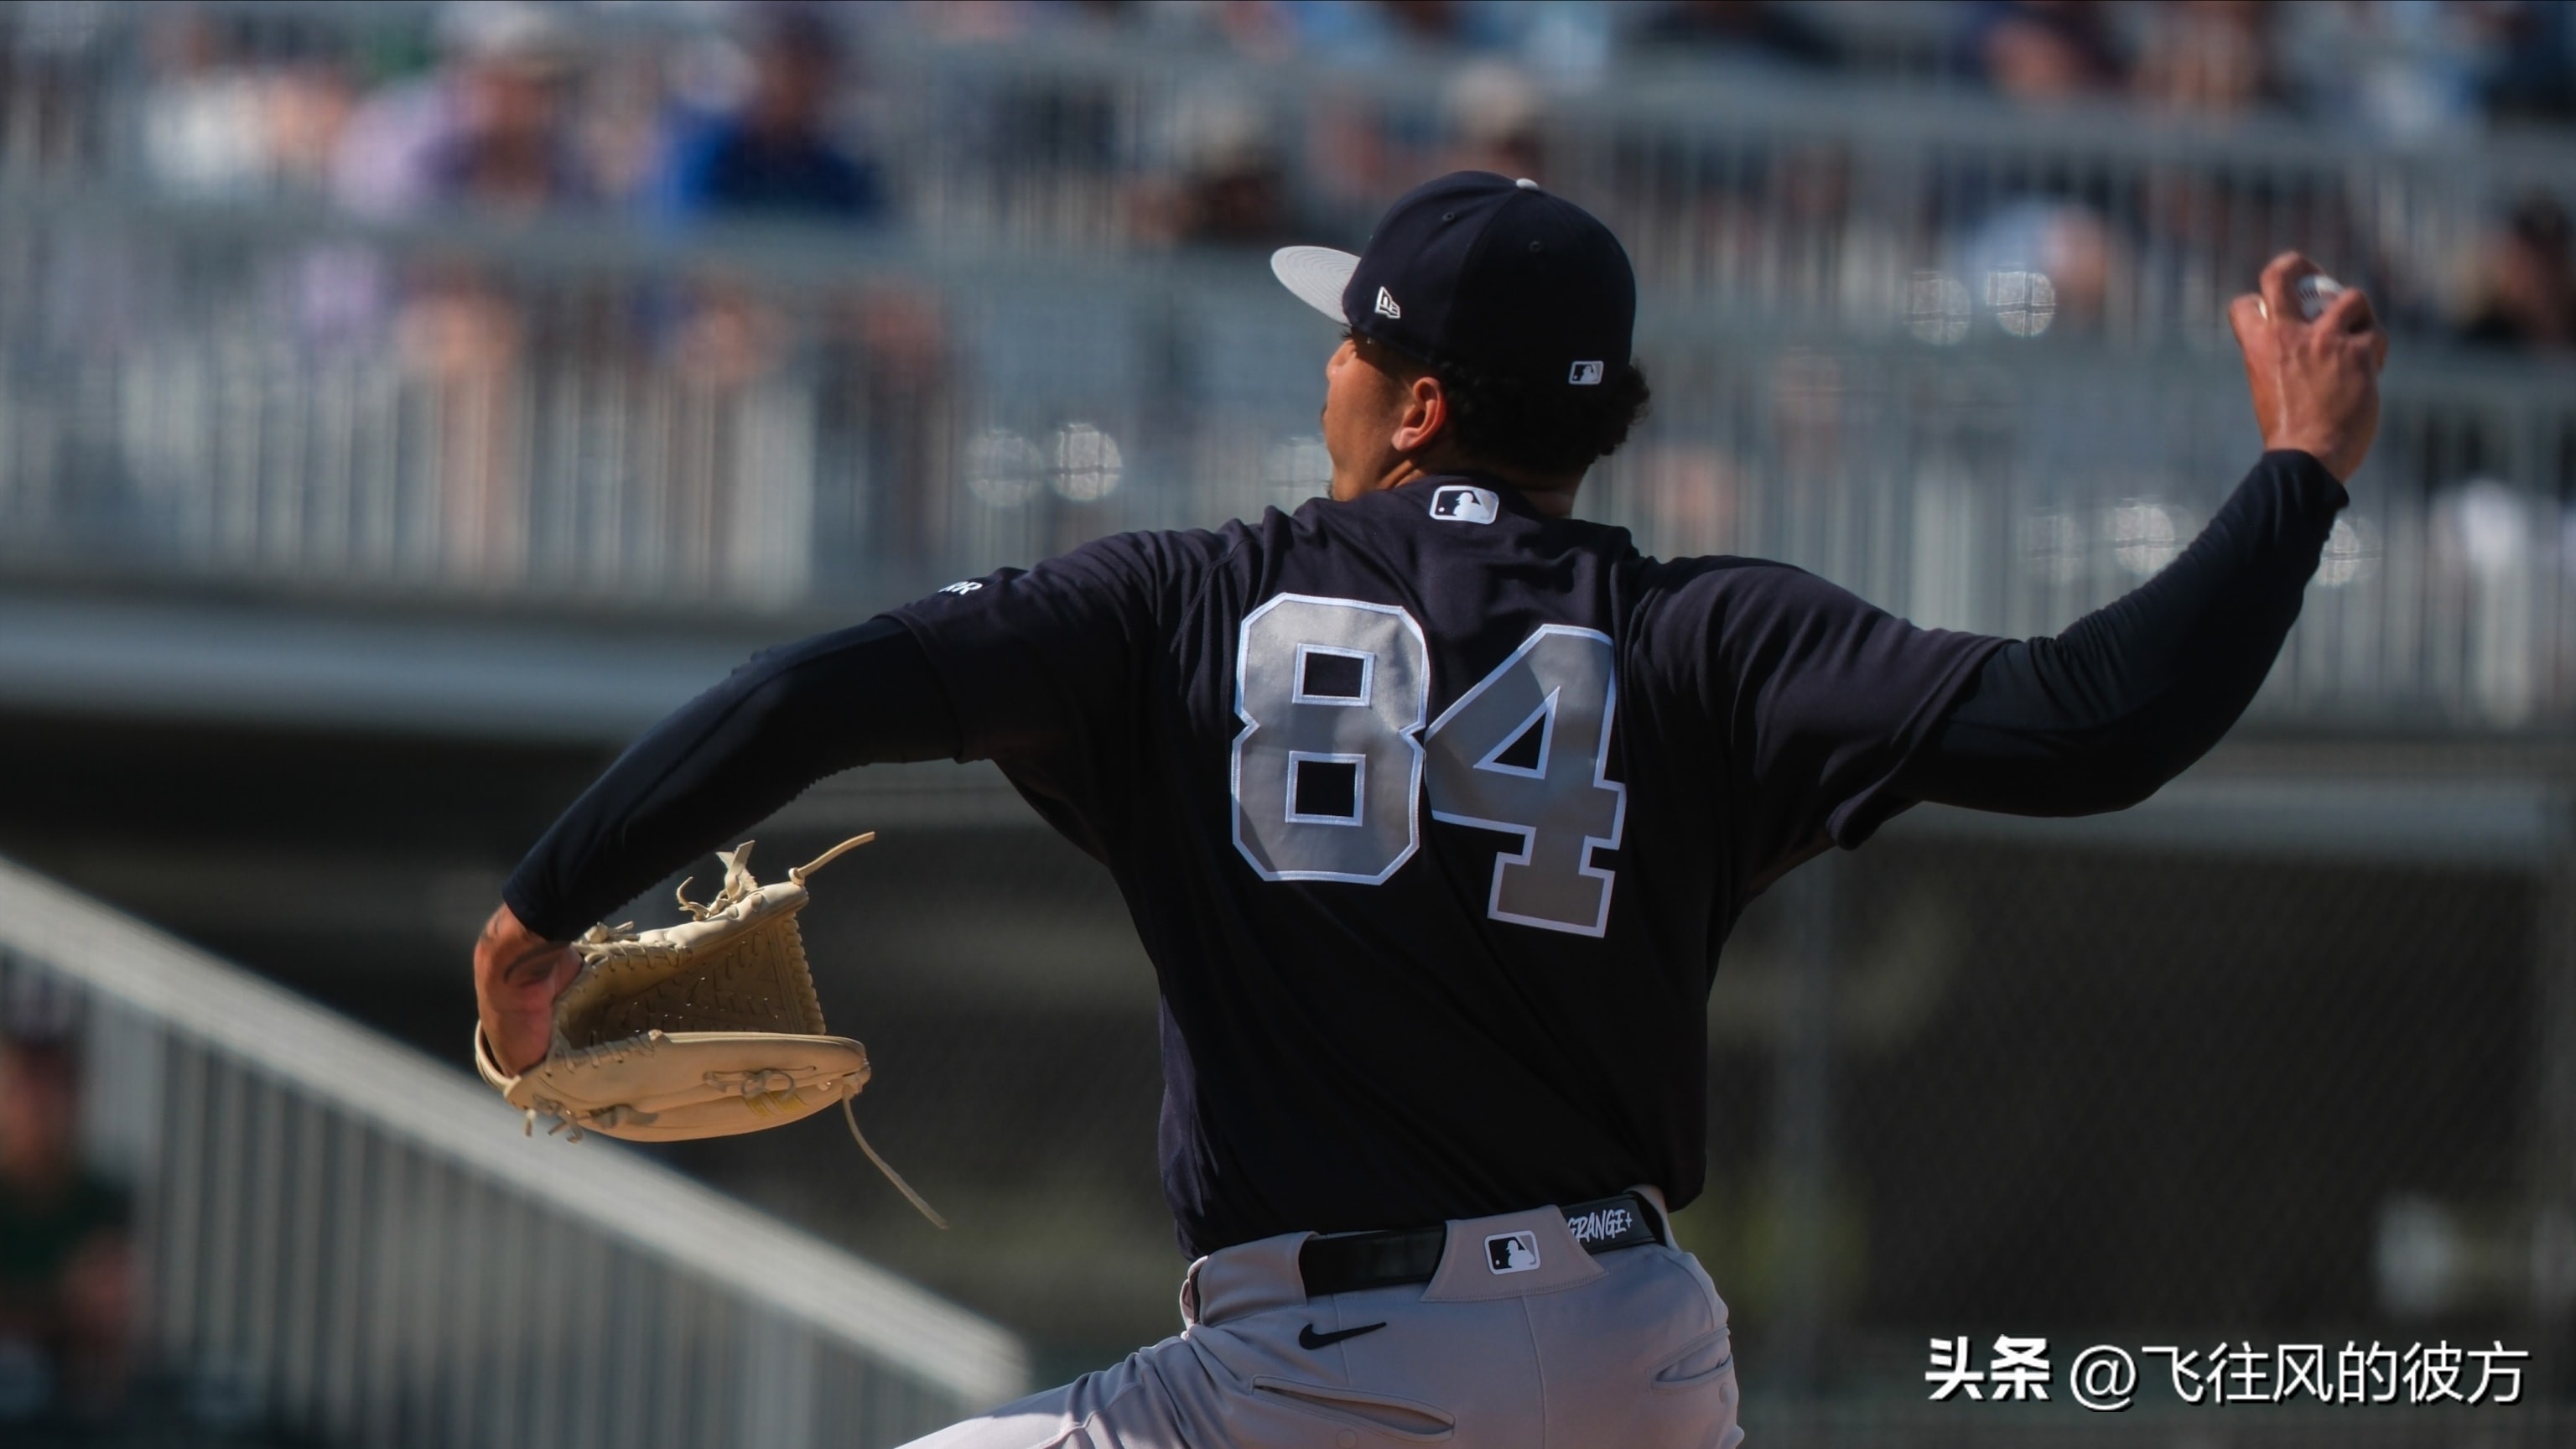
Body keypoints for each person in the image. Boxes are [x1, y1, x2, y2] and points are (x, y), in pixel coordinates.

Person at [473, 172, 2385, 1446]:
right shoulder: (1711, 636)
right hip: (1637, 1363)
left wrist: (537, 914)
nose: (1329, 364)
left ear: (1413, 409)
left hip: (1322, 1378)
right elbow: (2095, 724)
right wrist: (2299, 470)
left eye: (1353, 342)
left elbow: (803, 695)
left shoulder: (1181, 604)